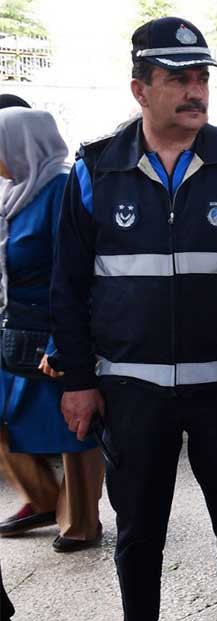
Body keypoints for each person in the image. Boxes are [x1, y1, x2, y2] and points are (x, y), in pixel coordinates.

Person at [51, 18, 217, 621]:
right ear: (140, 89)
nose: (195, 92)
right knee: (137, 525)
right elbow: (68, 287)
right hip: (131, 391)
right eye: (177, 80)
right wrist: (78, 380)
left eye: (200, 80)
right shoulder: (95, 169)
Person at [0, 108, 105, 553]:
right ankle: (44, 499)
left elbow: (73, 273)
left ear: (25, 144)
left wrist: (61, 341)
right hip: (14, 324)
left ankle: (80, 521)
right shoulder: (13, 192)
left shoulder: (60, 187)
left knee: (73, 426)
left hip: (50, 326)